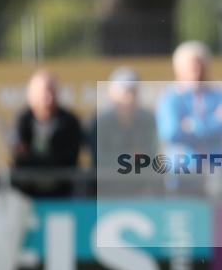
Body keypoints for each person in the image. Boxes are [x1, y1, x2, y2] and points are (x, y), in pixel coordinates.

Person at [156, 41, 222, 193]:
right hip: (182, 171)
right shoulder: (170, 98)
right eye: (191, 67)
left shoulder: (219, 95)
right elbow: (170, 131)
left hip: (214, 170)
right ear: (178, 68)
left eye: (201, 66)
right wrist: (212, 123)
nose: (197, 71)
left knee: (220, 213)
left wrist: (192, 125)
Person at [12, 69, 83, 198]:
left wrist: (35, 160)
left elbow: (69, 159)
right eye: (43, 93)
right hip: (26, 194)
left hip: (63, 193)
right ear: (31, 95)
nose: (47, 99)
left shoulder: (70, 122)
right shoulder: (22, 121)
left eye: (51, 92)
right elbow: (19, 159)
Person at [89, 67, 157, 168]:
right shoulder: (100, 122)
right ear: (112, 93)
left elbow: (152, 153)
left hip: (141, 180)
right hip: (108, 179)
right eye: (126, 93)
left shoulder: (148, 120)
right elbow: (98, 158)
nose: (130, 98)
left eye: (133, 92)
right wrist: (129, 159)